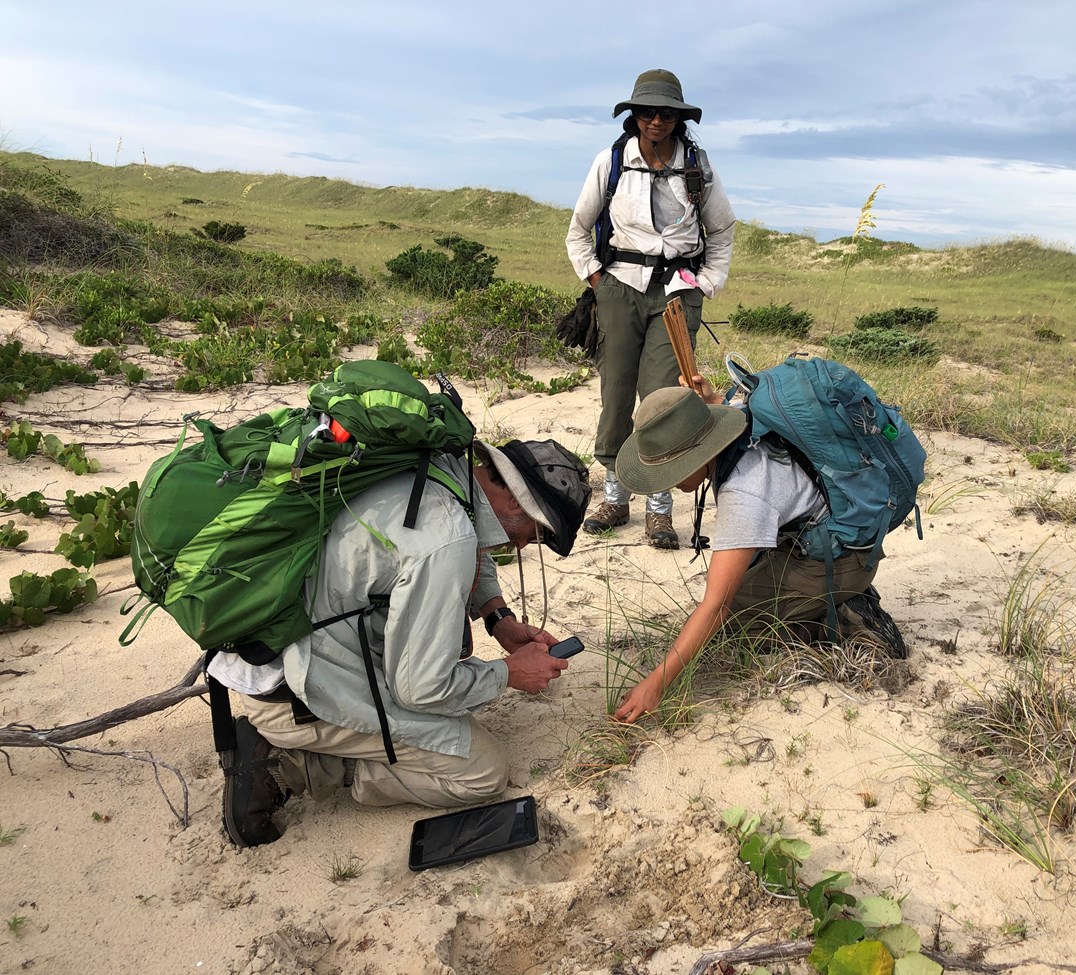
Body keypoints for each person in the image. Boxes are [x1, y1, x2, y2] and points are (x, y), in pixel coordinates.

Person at [217, 438, 592, 847]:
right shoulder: (448, 539)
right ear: (518, 504)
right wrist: (508, 674)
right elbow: (421, 689)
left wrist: (496, 617)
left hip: (274, 654)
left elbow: (470, 544)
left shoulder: (446, 468)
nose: (522, 546)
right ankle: (294, 764)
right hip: (298, 693)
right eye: (535, 534)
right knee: (484, 770)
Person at [610, 381, 883, 723]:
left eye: (670, 471)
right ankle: (824, 599)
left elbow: (716, 608)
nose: (666, 483)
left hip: (842, 558)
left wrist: (656, 684)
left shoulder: (745, 494)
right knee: (736, 599)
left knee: (734, 626)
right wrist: (710, 399)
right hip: (819, 538)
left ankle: (844, 620)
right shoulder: (737, 423)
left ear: (699, 453)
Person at [566, 68, 736, 550]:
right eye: (646, 111)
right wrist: (598, 282)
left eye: (665, 112)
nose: (655, 120)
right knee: (616, 393)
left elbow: (721, 230)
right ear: (633, 115)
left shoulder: (697, 165)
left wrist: (706, 283)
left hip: (677, 293)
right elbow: (578, 228)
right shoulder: (613, 160)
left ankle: (659, 510)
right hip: (618, 286)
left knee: (664, 397)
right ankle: (616, 498)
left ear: (679, 117)